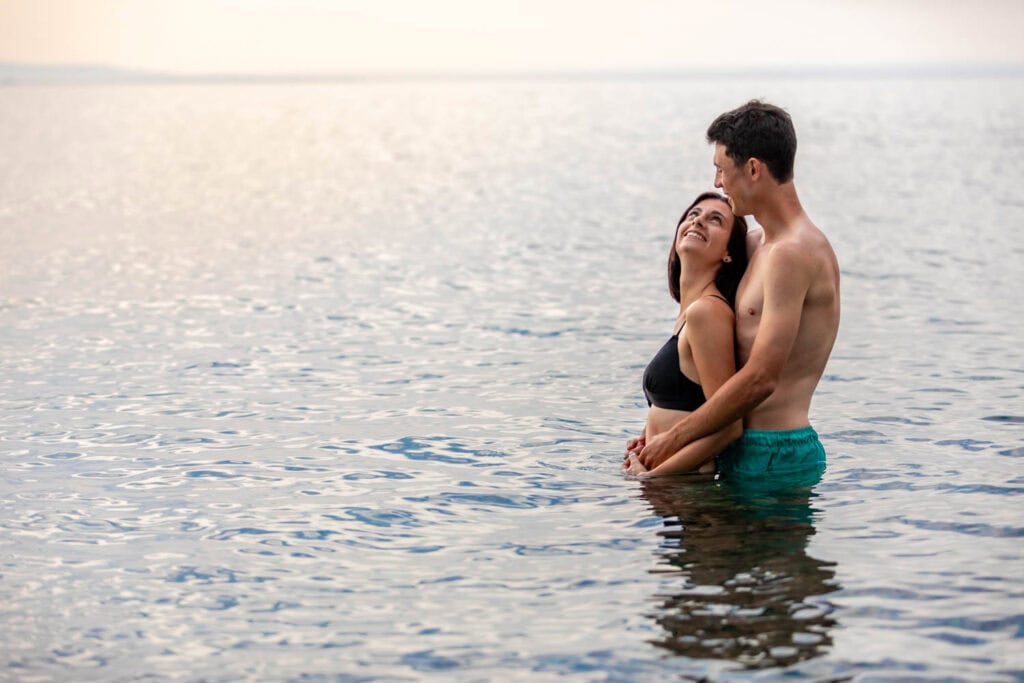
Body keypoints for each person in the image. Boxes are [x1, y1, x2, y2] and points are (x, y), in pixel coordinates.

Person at [636, 100, 840, 483]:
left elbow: (762, 378)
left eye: (721, 169)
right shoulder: (757, 243)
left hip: (775, 451)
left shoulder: (794, 253)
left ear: (752, 169)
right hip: (738, 449)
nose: (717, 183)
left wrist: (675, 438)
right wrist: (665, 431)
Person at [623, 191, 749, 477]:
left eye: (715, 220)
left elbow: (729, 427)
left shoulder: (707, 313)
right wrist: (647, 438)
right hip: (675, 488)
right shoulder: (690, 313)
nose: (699, 221)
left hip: (689, 494)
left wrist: (651, 479)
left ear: (728, 253)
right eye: (693, 215)